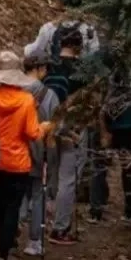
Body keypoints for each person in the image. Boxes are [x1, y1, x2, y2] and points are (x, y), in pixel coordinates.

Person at [0, 50, 53, 260]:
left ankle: (3, 248)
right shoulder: (25, 100)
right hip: (19, 161)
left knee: (1, 205)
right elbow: (32, 133)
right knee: (12, 207)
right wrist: (45, 126)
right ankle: (5, 253)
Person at [43, 28, 86, 245]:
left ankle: (46, 216)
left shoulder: (49, 67)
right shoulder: (81, 71)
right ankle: (60, 227)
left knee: (52, 172)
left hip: (49, 125)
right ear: (78, 46)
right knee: (68, 178)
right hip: (72, 128)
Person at [89, 58, 131, 223]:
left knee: (101, 166)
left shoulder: (110, 84)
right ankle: (130, 208)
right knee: (127, 168)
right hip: (126, 128)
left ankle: (97, 209)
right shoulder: (129, 88)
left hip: (116, 126)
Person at [22, 48, 60, 256]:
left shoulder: (10, 90)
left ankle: (10, 233)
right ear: (39, 69)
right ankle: (34, 241)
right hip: (36, 150)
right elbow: (55, 124)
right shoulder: (48, 95)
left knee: (16, 193)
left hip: (12, 150)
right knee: (37, 194)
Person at [27, 17, 101, 65]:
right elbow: (93, 56)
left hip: (54, 66)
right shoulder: (90, 31)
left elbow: (32, 51)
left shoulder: (49, 28)